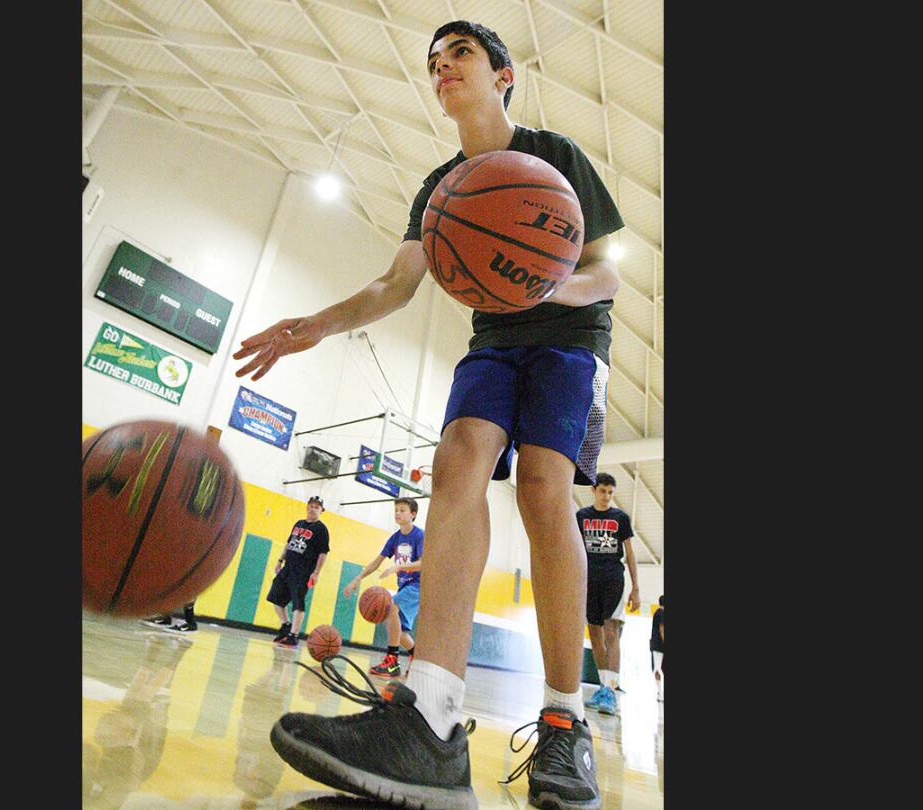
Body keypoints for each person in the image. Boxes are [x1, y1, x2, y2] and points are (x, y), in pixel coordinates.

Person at [234, 19, 623, 809]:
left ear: (503, 74)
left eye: (461, 57)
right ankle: (434, 717)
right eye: (436, 63)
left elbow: (605, 276)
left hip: (571, 338)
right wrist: (314, 323)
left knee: (544, 489)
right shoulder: (442, 187)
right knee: (456, 463)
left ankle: (564, 721)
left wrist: (550, 287)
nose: (444, 70)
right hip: (496, 340)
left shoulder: (555, 157)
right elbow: (393, 285)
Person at [342, 496, 425, 677]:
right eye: (396, 510)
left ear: (413, 514)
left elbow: (424, 563)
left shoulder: (419, 535)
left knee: (390, 607)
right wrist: (357, 579)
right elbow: (376, 562)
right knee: (398, 631)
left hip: (419, 586)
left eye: (402, 510)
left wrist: (399, 567)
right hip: (405, 587)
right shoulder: (394, 538)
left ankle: (392, 662)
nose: (397, 513)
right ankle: (417, 657)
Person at [579, 472, 640, 714]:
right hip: (588, 581)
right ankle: (603, 687)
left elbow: (630, 553)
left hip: (613, 579)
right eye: (602, 491)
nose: (606, 496)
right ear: (594, 490)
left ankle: (611, 691)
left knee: (611, 632)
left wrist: (636, 587)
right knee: (594, 634)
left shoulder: (620, 518)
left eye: (610, 492)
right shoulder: (581, 516)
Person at [268, 496, 331, 650]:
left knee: (298, 601)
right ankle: (285, 625)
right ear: (307, 507)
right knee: (275, 596)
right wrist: (280, 560)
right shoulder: (298, 524)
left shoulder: (321, 529)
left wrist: (316, 572)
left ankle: (294, 635)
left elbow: (323, 553)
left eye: (317, 507)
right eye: (311, 505)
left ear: (321, 510)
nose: (313, 508)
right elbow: (289, 543)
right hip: (288, 567)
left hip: (304, 572)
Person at [650, 595, 664, 701]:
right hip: (659, 646)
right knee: (658, 669)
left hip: (655, 645)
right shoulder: (661, 613)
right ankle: (660, 692)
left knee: (657, 668)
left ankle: (660, 692)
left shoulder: (656, 612)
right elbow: (662, 628)